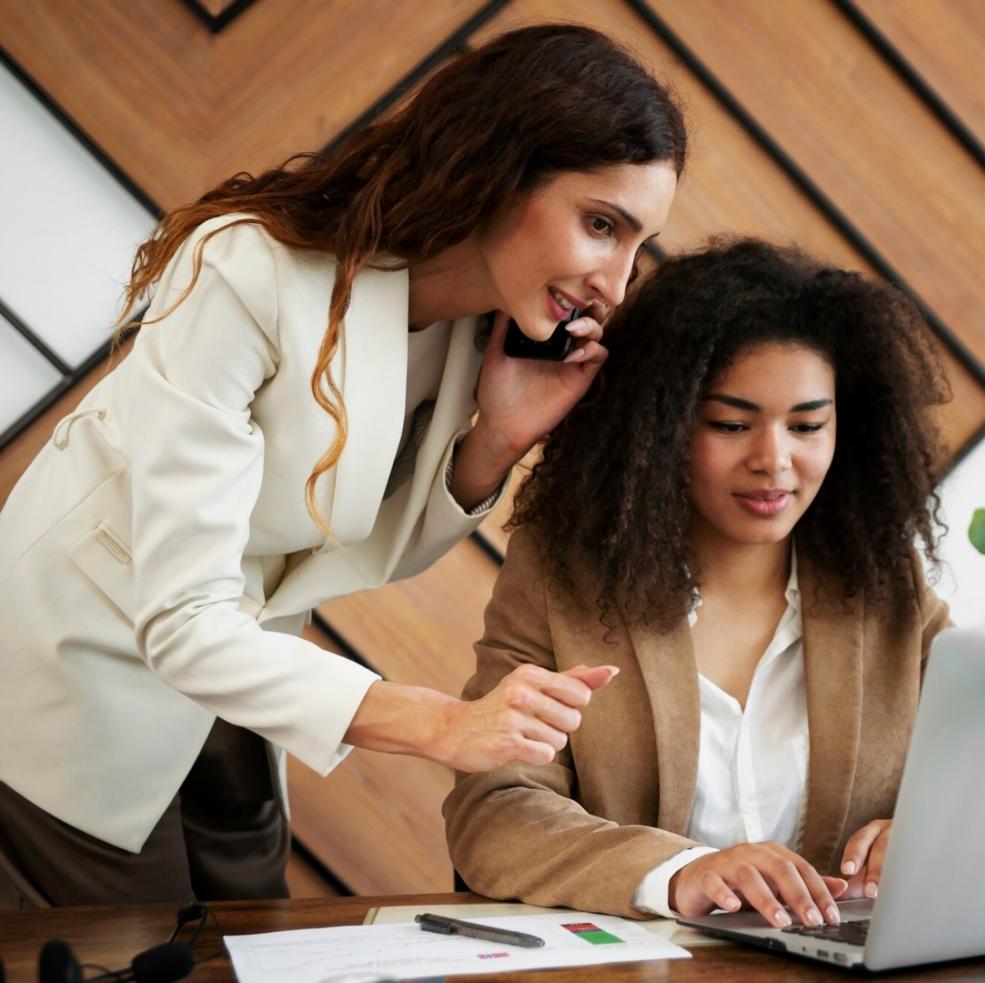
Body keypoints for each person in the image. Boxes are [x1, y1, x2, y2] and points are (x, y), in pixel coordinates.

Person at [0, 24, 686, 907]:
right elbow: (178, 617)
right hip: (83, 661)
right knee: (132, 943)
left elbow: (344, 547)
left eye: (637, 245)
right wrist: (444, 723)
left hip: (234, 680)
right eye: (601, 226)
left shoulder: (468, 331)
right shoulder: (246, 271)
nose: (614, 282)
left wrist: (493, 442)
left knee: (253, 929)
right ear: (501, 166)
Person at [444, 239, 953, 929]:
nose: (773, 460)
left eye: (807, 425)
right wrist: (675, 870)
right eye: (731, 423)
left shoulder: (884, 585)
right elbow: (495, 808)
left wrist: (927, 831)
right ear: (660, 426)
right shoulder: (560, 576)